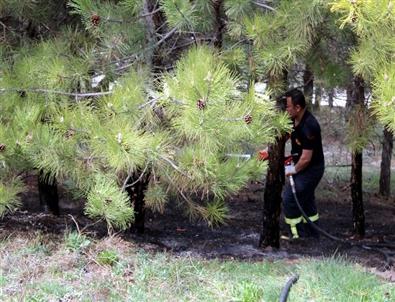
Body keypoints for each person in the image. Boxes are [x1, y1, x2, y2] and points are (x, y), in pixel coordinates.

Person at [282, 88, 325, 239]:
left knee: (290, 198)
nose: (285, 109)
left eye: (287, 106)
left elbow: (306, 158)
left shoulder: (310, 125)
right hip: (300, 164)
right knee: (306, 199)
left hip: (312, 170)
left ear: (298, 107)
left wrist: (291, 170)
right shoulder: (292, 118)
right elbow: (284, 137)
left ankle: (297, 235)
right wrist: (268, 151)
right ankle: (313, 234)